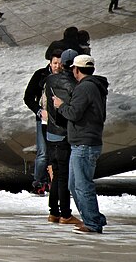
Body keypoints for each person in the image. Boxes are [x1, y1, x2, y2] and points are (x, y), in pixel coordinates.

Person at [53, 55, 108, 234]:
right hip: (85, 142)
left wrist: (60, 105)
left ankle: (92, 223)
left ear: (77, 70)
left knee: (82, 185)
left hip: (84, 144)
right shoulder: (95, 87)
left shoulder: (84, 88)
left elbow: (74, 113)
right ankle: (93, 218)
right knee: (74, 184)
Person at [44, 49, 82, 225]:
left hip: (51, 132)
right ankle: (66, 214)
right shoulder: (73, 84)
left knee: (57, 174)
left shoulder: (50, 79)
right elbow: (71, 110)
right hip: (63, 134)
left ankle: (54, 212)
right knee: (64, 176)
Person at [24, 48, 63, 195]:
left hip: (60, 120)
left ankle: (55, 182)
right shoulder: (40, 75)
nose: (57, 67)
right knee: (43, 152)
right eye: (55, 63)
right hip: (44, 120)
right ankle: (38, 182)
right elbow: (28, 97)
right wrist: (40, 111)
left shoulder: (65, 76)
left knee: (58, 152)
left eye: (60, 63)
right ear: (50, 62)